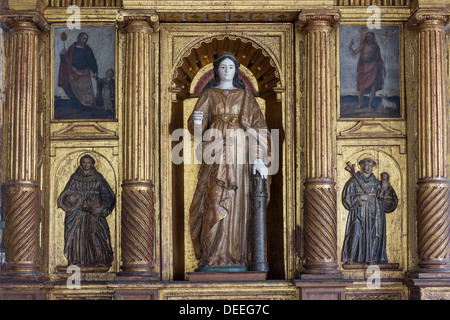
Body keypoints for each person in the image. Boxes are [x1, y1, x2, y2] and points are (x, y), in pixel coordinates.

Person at [187, 52, 271, 272]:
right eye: (222, 67)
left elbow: (259, 128)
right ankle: (212, 256)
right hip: (214, 151)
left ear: (236, 71)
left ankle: (236, 256)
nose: (226, 71)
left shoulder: (245, 96)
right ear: (216, 71)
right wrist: (197, 123)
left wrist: (259, 158)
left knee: (237, 202)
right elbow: (197, 129)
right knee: (214, 198)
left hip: (240, 153)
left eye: (230, 67)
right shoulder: (209, 95)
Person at [57, 154, 115, 268]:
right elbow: (65, 195)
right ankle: (76, 259)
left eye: (88, 162)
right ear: (81, 163)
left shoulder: (98, 178)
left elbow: (108, 196)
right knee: (76, 235)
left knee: (95, 233)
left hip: (93, 213)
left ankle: (100, 259)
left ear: (92, 164)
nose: (86, 164)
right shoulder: (74, 178)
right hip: (77, 213)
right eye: (84, 162)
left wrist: (100, 208)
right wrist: (70, 200)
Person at [341, 156, 398, 264]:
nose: (367, 168)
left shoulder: (378, 184)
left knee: (374, 235)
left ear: (373, 167)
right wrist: (360, 197)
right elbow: (347, 199)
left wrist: (386, 197)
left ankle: (372, 258)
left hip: (375, 215)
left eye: (370, 165)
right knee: (356, 233)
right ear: (361, 166)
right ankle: (351, 258)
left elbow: (390, 202)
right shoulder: (353, 182)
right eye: (365, 165)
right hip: (358, 215)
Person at [58, 32, 98, 110]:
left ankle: (86, 106)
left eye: (86, 39)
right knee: (72, 88)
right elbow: (66, 61)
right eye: (83, 38)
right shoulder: (72, 48)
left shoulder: (88, 49)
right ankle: (75, 105)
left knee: (86, 90)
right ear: (79, 38)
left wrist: (95, 71)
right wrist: (62, 55)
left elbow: (92, 61)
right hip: (72, 72)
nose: (84, 41)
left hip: (84, 73)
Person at [348, 32, 386, 110]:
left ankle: (370, 106)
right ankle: (360, 104)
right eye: (368, 37)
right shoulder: (362, 46)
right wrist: (349, 46)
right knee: (362, 89)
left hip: (374, 69)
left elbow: (379, 59)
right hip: (363, 69)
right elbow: (353, 53)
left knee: (373, 88)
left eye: (371, 37)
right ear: (366, 38)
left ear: (373, 38)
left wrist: (383, 68)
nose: (369, 38)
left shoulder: (376, 47)